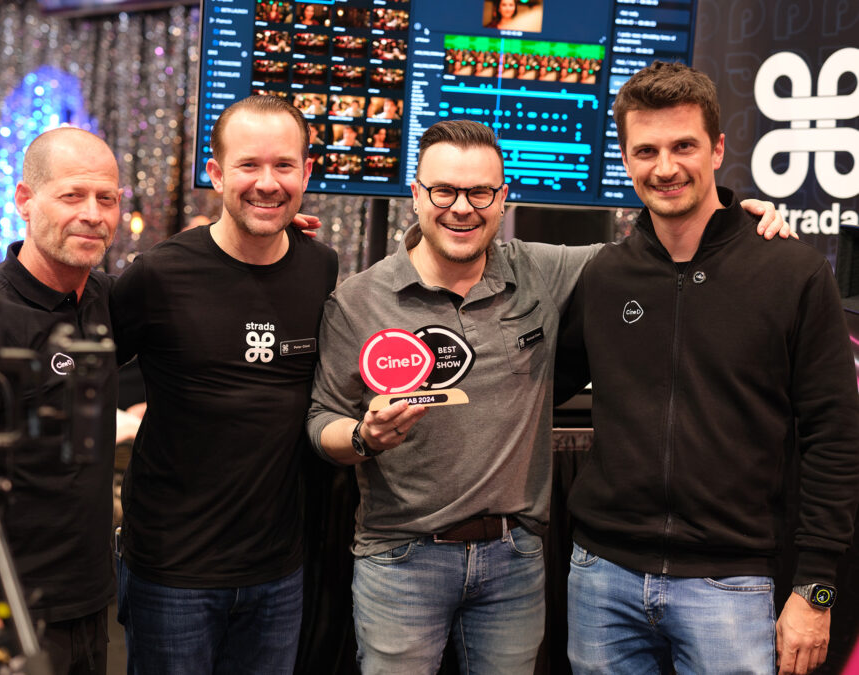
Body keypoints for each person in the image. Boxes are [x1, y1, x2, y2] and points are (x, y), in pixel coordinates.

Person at [306, 119, 786, 674]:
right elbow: (322, 422)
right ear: (416, 194)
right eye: (444, 190)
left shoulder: (538, 271)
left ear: (502, 197)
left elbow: (652, 250)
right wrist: (364, 437)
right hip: (401, 559)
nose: (462, 207)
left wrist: (733, 217)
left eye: (481, 192)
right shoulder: (357, 301)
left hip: (515, 557)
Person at [558, 61, 859, 675]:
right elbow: (533, 379)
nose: (665, 167)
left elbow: (835, 437)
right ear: (625, 158)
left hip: (734, 586)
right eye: (646, 150)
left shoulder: (792, 273)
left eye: (683, 146)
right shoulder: (605, 276)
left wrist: (816, 590)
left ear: (718, 149)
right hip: (601, 578)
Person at [110, 95, 338, 674]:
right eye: (248, 166)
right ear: (215, 174)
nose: (268, 183)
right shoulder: (158, 275)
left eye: (284, 166)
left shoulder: (322, 269)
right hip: (171, 572)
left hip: (279, 573)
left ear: (307, 172)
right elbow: (83, 373)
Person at [0, 127, 121, 674]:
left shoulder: (102, 298)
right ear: (25, 201)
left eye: (107, 199)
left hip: (92, 599)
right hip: (10, 615)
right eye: (72, 195)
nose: (93, 214)